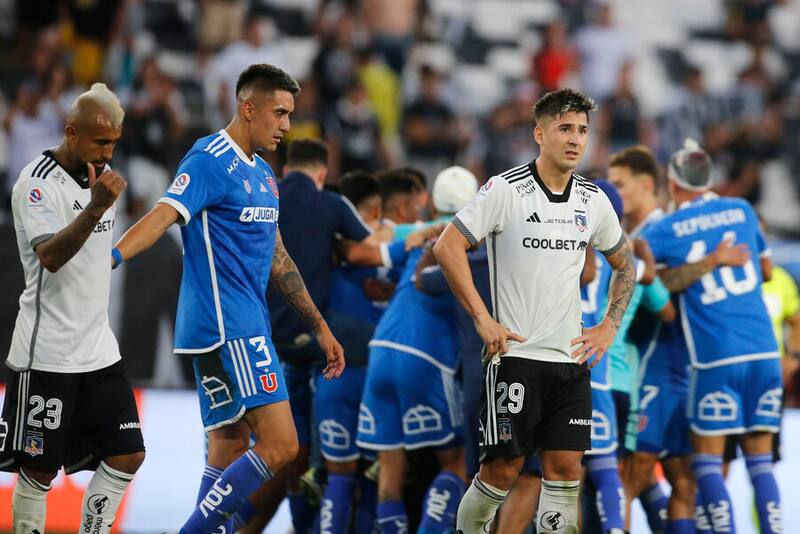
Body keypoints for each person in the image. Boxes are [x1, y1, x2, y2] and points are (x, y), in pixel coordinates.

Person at [113, 64, 345, 534]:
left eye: (289, 115)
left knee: (228, 445)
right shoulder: (208, 159)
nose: (286, 125)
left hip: (233, 324)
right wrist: (112, 256)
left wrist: (319, 326)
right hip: (229, 325)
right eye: (279, 113)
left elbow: (278, 259)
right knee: (282, 445)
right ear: (248, 107)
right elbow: (163, 215)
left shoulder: (263, 173)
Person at [434, 88, 636, 534]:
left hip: (570, 361)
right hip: (516, 360)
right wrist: (482, 318)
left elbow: (626, 262)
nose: (575, 139)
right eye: (565, 128)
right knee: (501, 475)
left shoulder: (593, 200)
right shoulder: (506, 189)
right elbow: (447, 246)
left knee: (565, 474)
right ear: (539, 133)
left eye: (583, 130)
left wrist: (609, 326)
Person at [0, 83, 144, 534]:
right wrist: (97, 206)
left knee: (128, 454)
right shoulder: (37, 183)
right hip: (48, 354)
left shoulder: (97, 177)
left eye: (115, 143)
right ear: (71, 132)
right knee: (39, 470)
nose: (108, 152)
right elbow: (51, 257)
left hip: (98, 350)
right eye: (100, 141)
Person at [643, 139, 782, 534]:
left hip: (714, 357)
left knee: (705, 463)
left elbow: (650, 280)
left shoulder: (665, 229)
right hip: (764, 351)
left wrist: (702, 265)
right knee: (760, 463)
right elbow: (768, 271)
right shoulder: (741, 209)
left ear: (672, 184)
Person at [356, 166, 478, 534]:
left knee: (390, 471)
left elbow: (368, 247)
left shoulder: (414, 231)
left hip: (380, 347)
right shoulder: (474, 240)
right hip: (426, 358)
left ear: (432, 201)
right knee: (455, 463)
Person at [264, 138, 375, 534]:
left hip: (262, 341)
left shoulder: (264, 193)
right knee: (371, 342)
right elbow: (370, 248)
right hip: (315, 338)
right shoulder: (330, 203)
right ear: (323, 173)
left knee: (288, 450)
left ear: (287, 167)